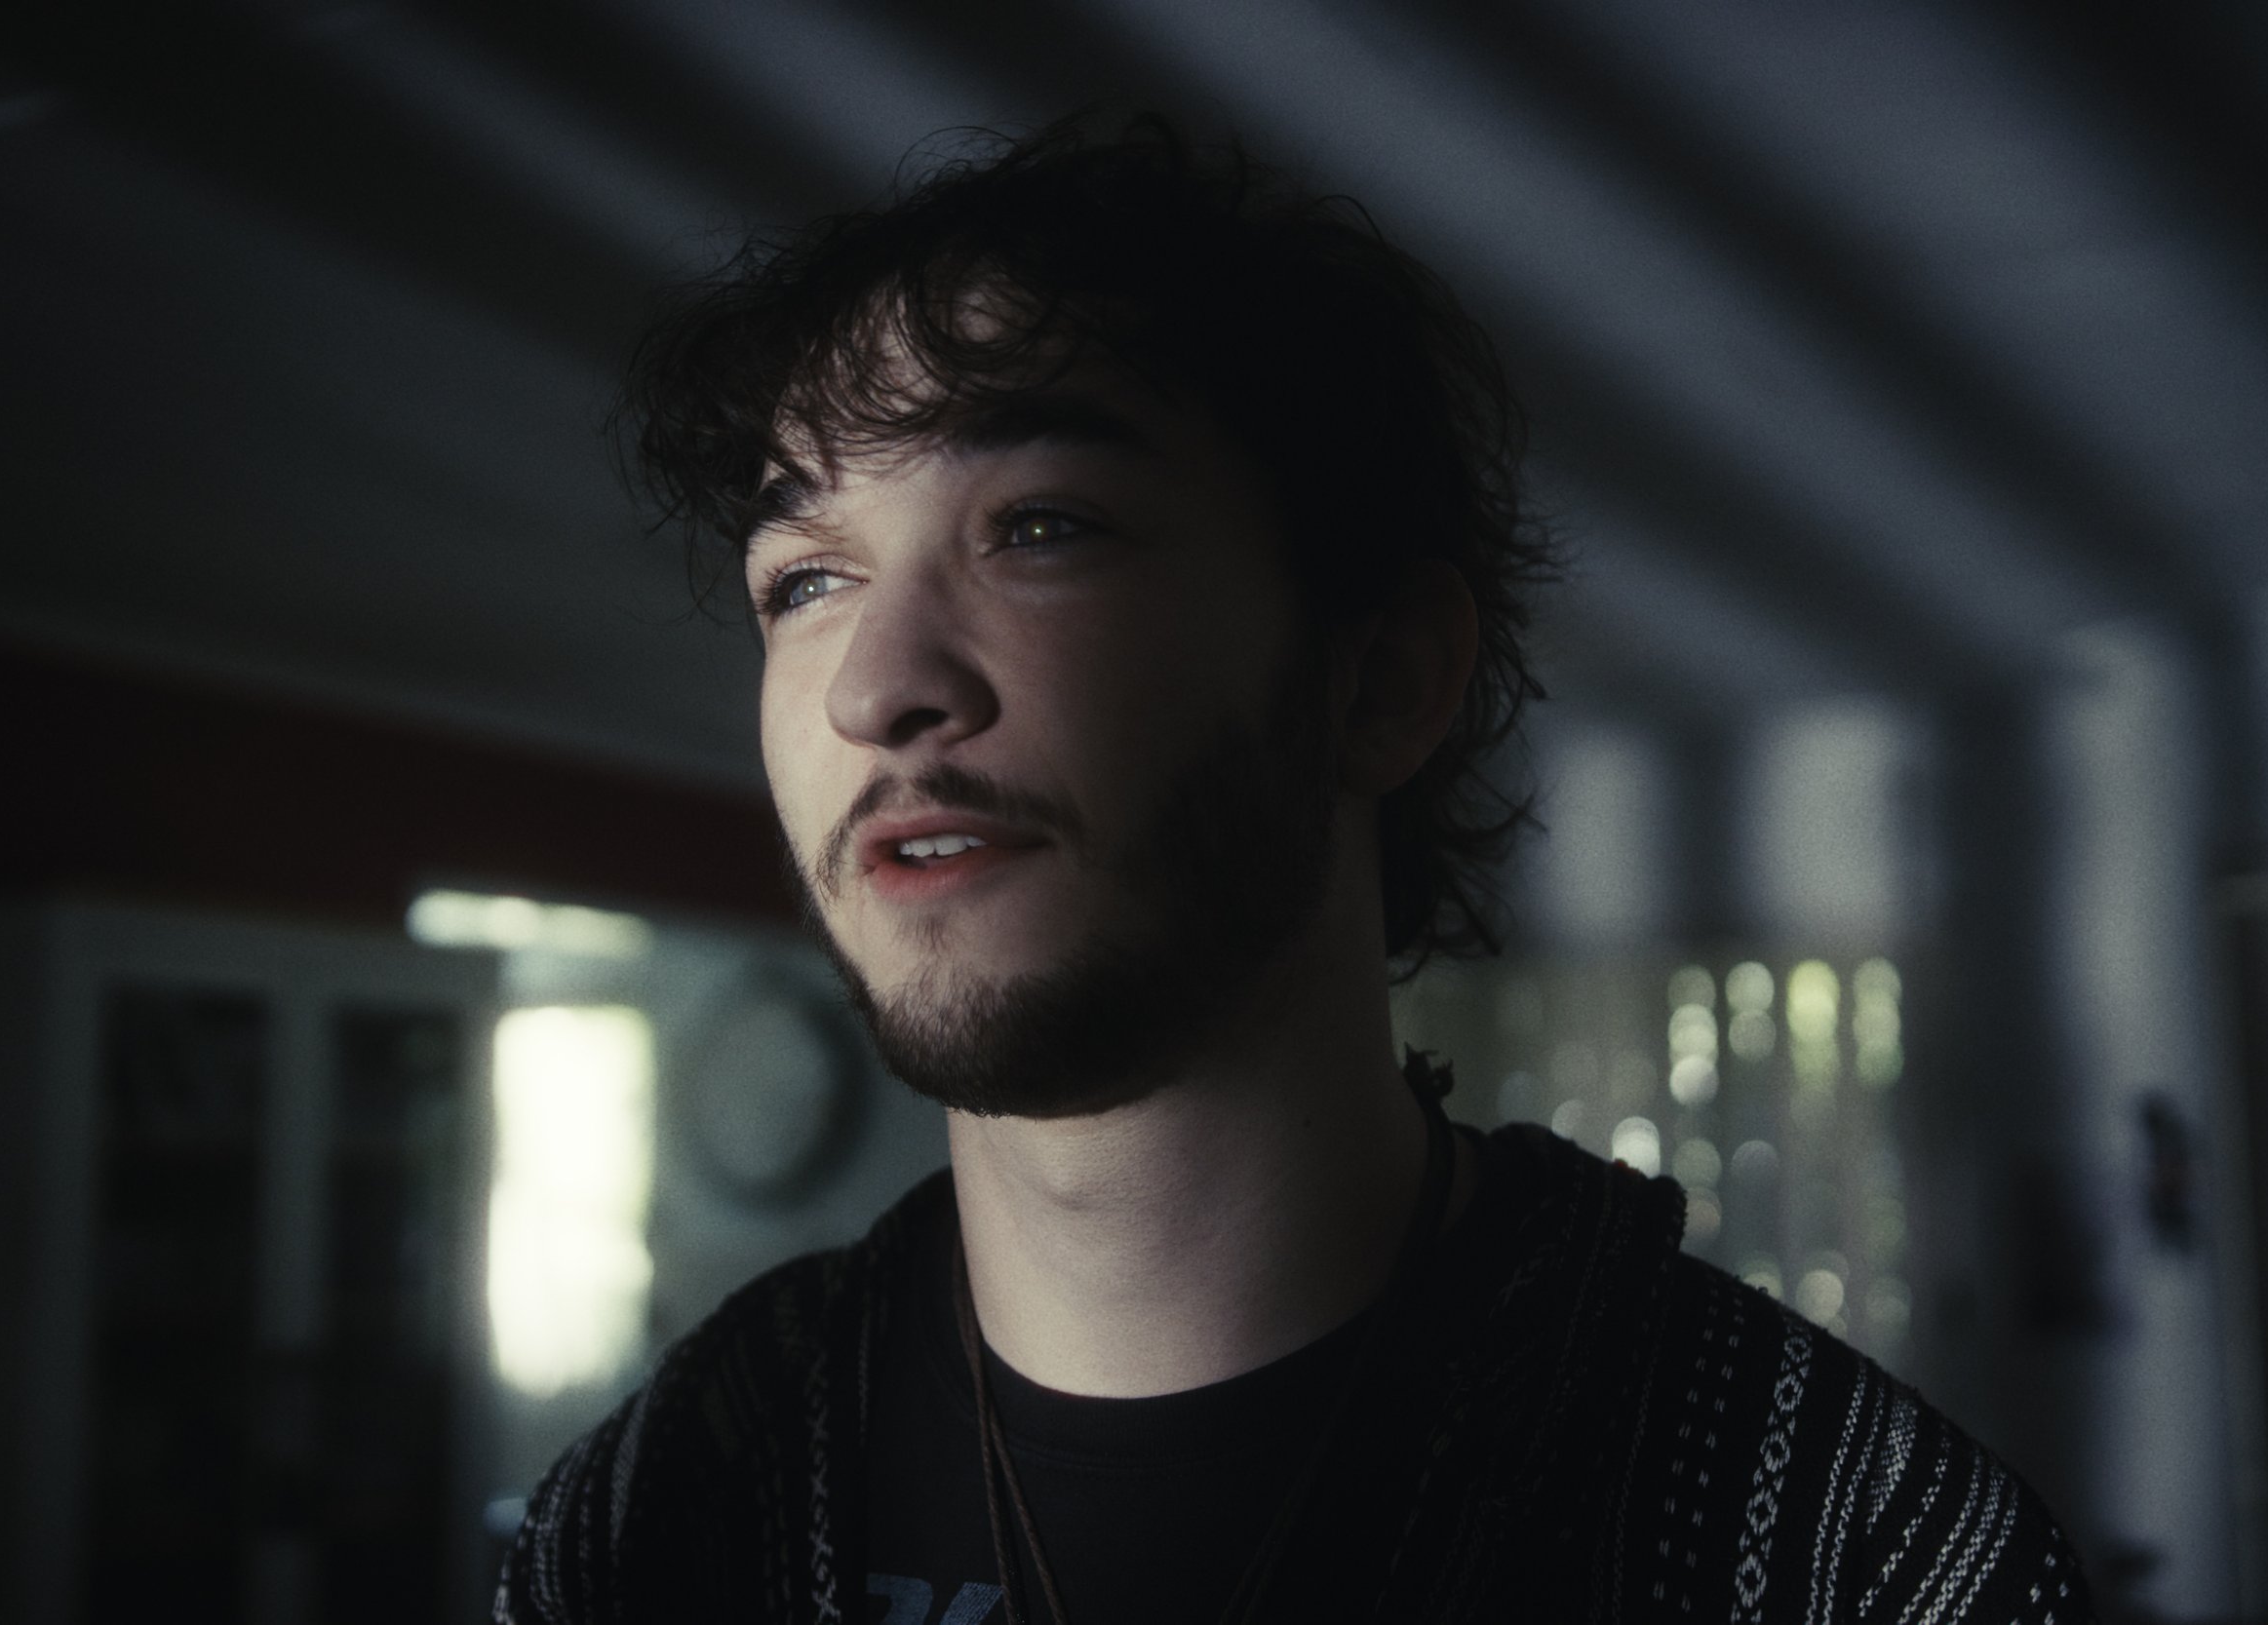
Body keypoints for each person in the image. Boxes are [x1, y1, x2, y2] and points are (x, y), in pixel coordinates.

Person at [495, 114, 2092, 1624]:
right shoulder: (650, 1521)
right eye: (808, 578)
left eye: (1039, 525)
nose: (873, 687)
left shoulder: (1855, 1553)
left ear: (1382, 677)